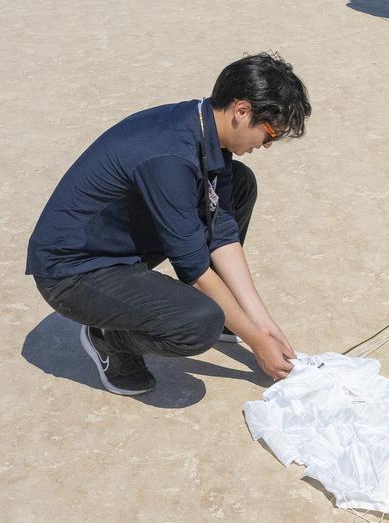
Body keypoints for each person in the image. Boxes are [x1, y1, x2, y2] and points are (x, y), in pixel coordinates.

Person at [26, 53, 311, 396]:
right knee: (199, 324)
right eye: (269, 133)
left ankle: (223, 311)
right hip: (73, 272)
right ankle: (109, 340)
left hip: (120, 242)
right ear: (241, 111)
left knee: (240, 183)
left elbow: (221, 234)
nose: (266, 145)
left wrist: (264, 327)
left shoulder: (205, 127)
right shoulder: (169, 157)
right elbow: (193, 267)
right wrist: (255, 342)